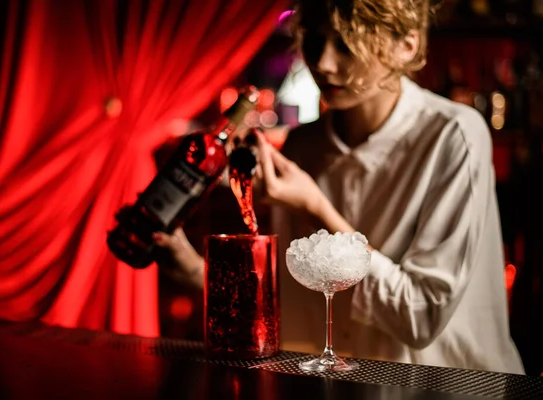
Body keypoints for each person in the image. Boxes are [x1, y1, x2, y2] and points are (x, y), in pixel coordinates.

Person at [153, 0, 524, 374]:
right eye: (314, 41)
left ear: (407, 44)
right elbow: (296, 304)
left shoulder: (455, 134)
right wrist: (191, 269)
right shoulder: (303, 146)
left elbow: (420, 318)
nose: (324, 63)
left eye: (347, 44)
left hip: (443, 383)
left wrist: (316, 206)